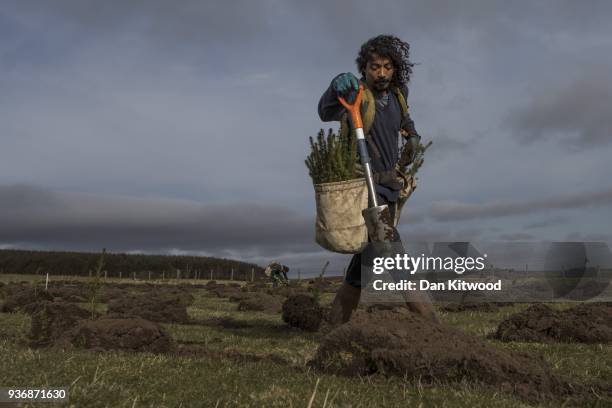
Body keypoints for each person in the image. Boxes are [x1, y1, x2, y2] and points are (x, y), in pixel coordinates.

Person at [318, 34, 438, 324]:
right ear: (365, 68)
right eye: (374, 67)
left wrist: (412, 135)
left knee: (362, 268)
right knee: (397, 259)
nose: (381, 73)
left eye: (386, 66)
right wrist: (335, 85)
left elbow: (404, 120)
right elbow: (325, 112)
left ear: (395, 68)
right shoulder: (356, 93)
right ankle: (434, 328)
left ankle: (334, 327)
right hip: (367, 190)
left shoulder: (399, 94)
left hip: (390, 188)